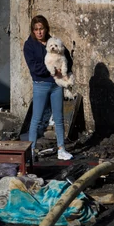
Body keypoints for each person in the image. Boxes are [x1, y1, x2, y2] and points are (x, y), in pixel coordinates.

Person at [23, 15, 73, 161]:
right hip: (41, 84)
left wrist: (64, 71)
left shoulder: (54, 42)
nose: (39, 32)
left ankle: (61, 149)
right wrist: (53, 71)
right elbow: (34, 67)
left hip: (56, 84)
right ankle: (31, 150)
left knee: (58, 118)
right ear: (33, 30)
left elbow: (67, 58)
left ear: (46, 29)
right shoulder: (29, 45)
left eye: (41, 28)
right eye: (36, 29)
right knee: (36, 119)